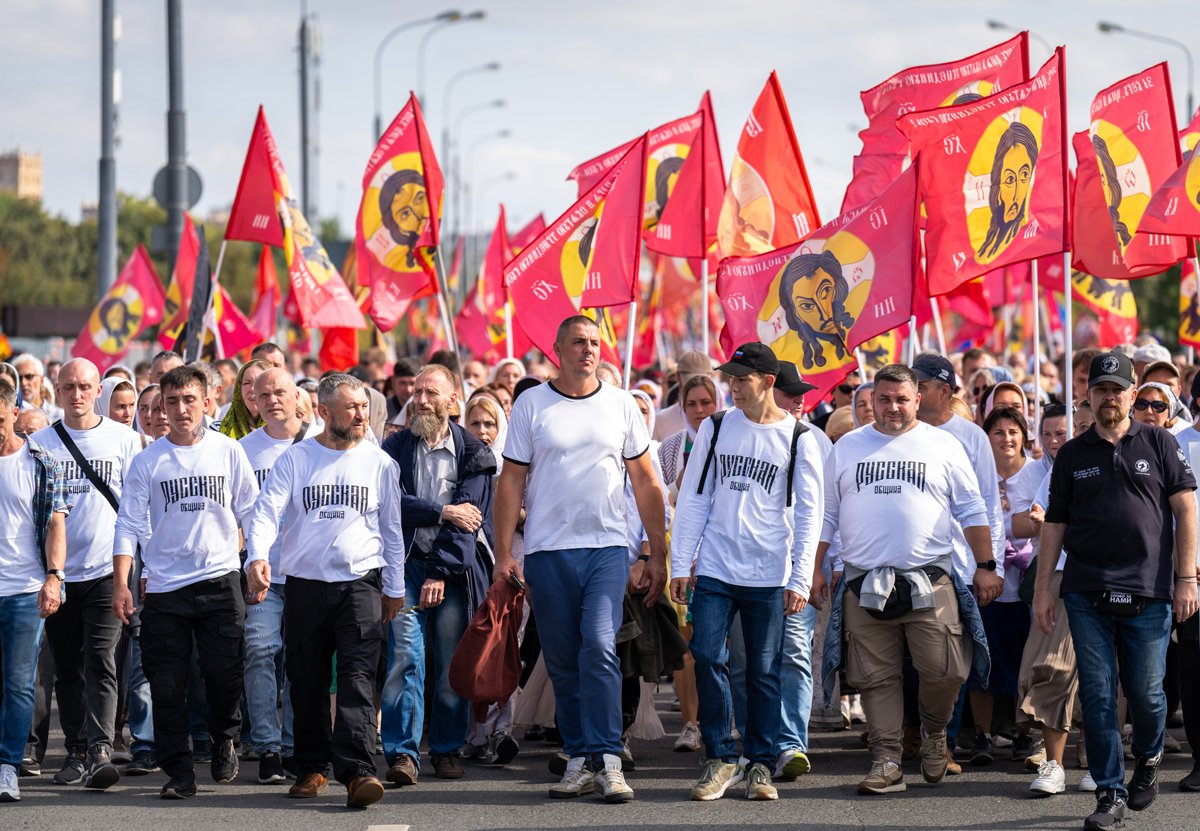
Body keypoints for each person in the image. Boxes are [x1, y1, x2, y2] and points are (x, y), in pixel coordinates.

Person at [492, 315, 667, 803]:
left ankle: (609, 757)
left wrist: (656, 552)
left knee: (599, 645)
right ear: (558, 348)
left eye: (594, 342)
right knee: (564, 660)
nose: (588, 349)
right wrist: (504, 552)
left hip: (607, 548)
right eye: (578, 342)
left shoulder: (619, 404)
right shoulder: (531, 403)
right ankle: (578, 757)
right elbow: (511, 481)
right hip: (548, 551)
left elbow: (647, 481)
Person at [815, 363, 1001, 796]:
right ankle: (887, 760)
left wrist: (986, 565)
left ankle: (936, 735)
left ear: (918, 399)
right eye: (884, 399)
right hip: (864, 583)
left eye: (902, 399)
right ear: (871, 400)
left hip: (930, 578)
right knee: (874, 677)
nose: (893, 407)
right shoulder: (846, 448)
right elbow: (826, 515)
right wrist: (814, 569)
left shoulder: (944, 445)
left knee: (946, 668)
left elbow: (972, 509)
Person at [1035, 350, 1198, 830]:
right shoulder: (1071, 453)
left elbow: (1186, 510)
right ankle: (1109, 793)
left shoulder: (1161, 443)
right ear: (1090, 394)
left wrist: (1186, 578)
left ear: (1133, 392)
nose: (1109, 397)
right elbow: (1056, 524)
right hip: (1087, 591)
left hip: (1150, 591)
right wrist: (1044, 590)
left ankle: (1148, 757)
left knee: (1148, 696)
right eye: (1101, 389)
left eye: (1118, 389)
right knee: (1100, 696)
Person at [244, 374, 406, 809]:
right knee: (307, 677)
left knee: (356, 677)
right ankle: (312, 768)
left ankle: (357, 772)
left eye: (362, 406)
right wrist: (256, 556)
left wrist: (394, 586)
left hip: (360, 585)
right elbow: (265, 512)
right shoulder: (297, 460)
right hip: (304, 586)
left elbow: (392, 529)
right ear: (324, 412)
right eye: (350, 407)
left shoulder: (379, 463)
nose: (360, 414)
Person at [671, 343, 824, 802]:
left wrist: (800, 578)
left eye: (742, 378)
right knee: (707, 655)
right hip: (716, 567)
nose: (733, 386)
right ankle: (720, 757)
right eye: (731, 379)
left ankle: (759, 763)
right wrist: (682, 564)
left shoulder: (800, 438)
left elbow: (809, 515)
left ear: (768, 382)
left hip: (767, 572)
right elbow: (694, 500)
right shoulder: (716, 428)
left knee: (762, 670)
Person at [111, 365, 260, 800]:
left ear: (207, 402)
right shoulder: (148, 461)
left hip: (219, 580)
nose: (179, 410)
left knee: (222, 675)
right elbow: (127, 525)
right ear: (160, 409)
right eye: (170, 402)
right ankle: (179, 771)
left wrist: (256, 560)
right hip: (164, 587)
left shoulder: (228, 451)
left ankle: (223, 738)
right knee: (167, 682)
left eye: (188, 400)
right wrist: (123, 582)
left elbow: (250, 510)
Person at [380, 365, 497, 785]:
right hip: (405, 566)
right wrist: (441, 509)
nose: (421, 400)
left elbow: (469, 522)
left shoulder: (474, 453)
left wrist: (441, 573)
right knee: (406, 658)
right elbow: (390, 504)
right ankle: (403, 754)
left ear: (452, 400)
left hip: (452, 572)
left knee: (450, 663)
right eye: (416, 392)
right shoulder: (393, 448)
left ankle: (446, 749)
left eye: (431, 392)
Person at [31, 359, 142, 790]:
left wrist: (129, 571)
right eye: (68, 387)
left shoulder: (125, 440)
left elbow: (135, 508)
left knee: (101, 659)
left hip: (106, 568)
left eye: (84, 387)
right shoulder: (39, 444)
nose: (76, 394)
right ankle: (75, 749)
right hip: (57, 575)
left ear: (99, 390)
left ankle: (99, 748)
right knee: (66, 668)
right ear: (56, 392)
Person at [237, 368, 315, 784]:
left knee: (300, 662)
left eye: (279, 392)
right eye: (261, 393)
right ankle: (266, 746)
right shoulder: (243, 450)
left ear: (297, 395)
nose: (271, 400)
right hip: (262, 573)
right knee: (259, 649)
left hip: (309, 574)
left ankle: (292, 745)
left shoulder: (323, 440)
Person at [0, 381, 68, 804]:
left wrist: (54, 577)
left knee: (19, 683)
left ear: (12, 413)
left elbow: (56, 524)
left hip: (24, 589)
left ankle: (8, 765)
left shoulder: (40, 462)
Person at [967, 406, 1038, 766]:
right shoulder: (978, 474)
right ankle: (981, 735)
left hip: (1026, 589)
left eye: (1013, 431)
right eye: (998, 432)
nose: (1007, 438)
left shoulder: (1037, 474)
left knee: (1025, 663)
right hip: (988, 585)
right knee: (985, 662)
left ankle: (1023, 733)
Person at [655, 351, 713, 441]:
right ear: (678, 377)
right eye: (690, 383)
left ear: (711, 377)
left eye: (703, 381)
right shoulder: (661, 420)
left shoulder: (727, 419)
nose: (699, 410)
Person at [220, 360, 269, 439]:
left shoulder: (284, 429)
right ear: (239, 388)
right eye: (247, 383)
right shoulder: (220, 430)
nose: (252, 389)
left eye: (259, 382)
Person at [13, 355, 63, 422]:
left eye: (29, 376)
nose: (23, 383)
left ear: (41, 380)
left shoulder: (60, 416)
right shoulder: (11, 417)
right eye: (19, 378)